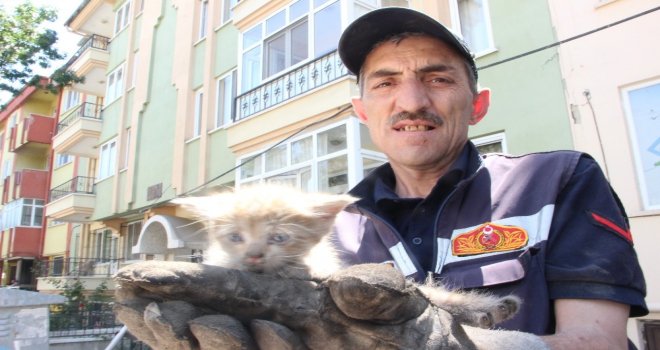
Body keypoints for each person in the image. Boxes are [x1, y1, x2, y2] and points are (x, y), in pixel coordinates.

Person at [331, 6, 647, 350]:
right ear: (362, 111)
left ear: (478, 107)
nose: (411, 101)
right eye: (386, 82)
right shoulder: (332, 231)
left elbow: (598, 342)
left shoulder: (559, 183)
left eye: (438, 79)